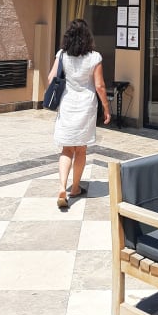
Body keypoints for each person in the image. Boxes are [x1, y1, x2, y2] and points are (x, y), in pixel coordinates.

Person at [47, 18, 111, 208]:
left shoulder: (62, 54)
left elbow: (51, 78)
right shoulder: (94, 57)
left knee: (67, 149)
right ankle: (75, 188)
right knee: (81, 149)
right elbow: (99, 86)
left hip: (67, 104)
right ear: (87, 37)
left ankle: (62, 187)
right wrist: (106, 108)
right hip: (86, 106)